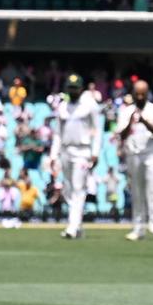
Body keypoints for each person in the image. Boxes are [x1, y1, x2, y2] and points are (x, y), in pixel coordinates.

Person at [51, 74, 102, 239]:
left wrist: (95, 153)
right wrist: (53, 154)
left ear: (81, 88)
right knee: (67, 189)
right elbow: (58, 133)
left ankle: (72, 227)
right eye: (70, 88)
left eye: (75, 88)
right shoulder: (63, 107)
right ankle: (78, 225)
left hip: (83, 151)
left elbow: (98, 131)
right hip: (66, 150)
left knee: (79, 188)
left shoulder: (90, 105)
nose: (73, 91)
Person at [118, 80, 153, 241]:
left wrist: (144, 121)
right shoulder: (126, 111)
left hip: (152, 155)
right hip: (133, 155)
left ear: (147, 94)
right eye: (137, 93)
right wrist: (132, 121)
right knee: (137, 193)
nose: (139, 96)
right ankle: (138, 228)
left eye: (142, 93)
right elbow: (122, 135)